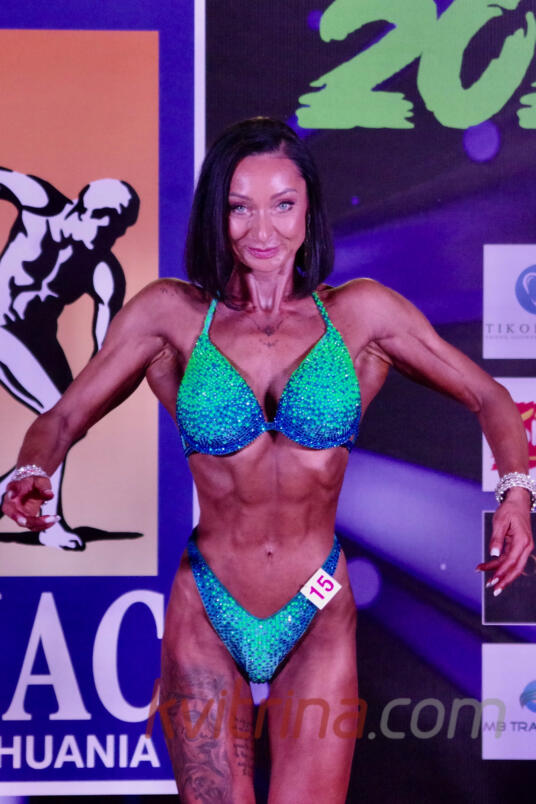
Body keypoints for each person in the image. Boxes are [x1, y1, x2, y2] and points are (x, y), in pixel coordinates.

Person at [2, 118, 534, 802]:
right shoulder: (170, 314)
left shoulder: (362, 316)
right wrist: (33, 470)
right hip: (208, 608)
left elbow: (489, 397)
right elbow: (64, 416)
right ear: (216, 212)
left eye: (282, 204)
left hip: (316, 608)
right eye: (240, 206)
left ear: (308, 208)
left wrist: (516, 493)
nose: (263, 229)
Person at [0, 170, 139, 548]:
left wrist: (91, 399)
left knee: (69, 421)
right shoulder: (39, 202)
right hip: (1, 323)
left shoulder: (104, 271)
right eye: (104, 227)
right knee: (56, 413)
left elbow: (106, 353)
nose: (107, 239)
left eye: (116, 233)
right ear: (81, 210)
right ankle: (48, 524)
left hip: (36, 340)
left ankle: (10, 493)